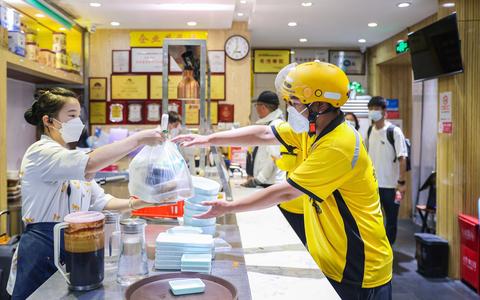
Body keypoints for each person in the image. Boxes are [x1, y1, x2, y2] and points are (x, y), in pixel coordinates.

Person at [173, 61, 393, 300]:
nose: (291, 109)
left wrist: (230, 207)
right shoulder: (313, 130)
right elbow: (265, 133)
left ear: (319, 104)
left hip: (358, 265)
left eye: (296, 103)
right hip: (332, 256)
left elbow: (286, 192)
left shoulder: (339, 144)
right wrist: (207, 139)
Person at [8, 88, 164, 299]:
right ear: (49, 120)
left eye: (79, 115)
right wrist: (137, 140)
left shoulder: (70, 157)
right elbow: (91, 163)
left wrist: (140, 203)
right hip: (42, 247)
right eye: (71, 115)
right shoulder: (40, 152)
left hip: (75, 244)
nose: (77, 121)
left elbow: (102, 201)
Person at [366, 96, 408, 245]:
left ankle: (389, 249)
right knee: (373, 219)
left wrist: (401, 183)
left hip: (391, 186)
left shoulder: (394, 131)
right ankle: (376, 247)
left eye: (376, 109)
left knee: (391, 220)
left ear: (384, 111)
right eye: (370, 109)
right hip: (373, 185)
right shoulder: (370, 130)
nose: (373, 112)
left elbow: (402, 158)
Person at [243, 91, 285, 188]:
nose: (256, 109)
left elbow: (274, 158)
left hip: (271, 183)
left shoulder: (275, 126)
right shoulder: (270, 124)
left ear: (263, 107)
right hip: (267, 182)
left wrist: (258, 180)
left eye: (256, 105)